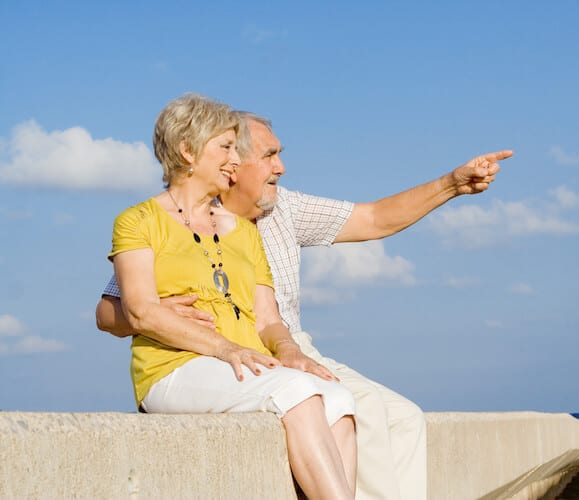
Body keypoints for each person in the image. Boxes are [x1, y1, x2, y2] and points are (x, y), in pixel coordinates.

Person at [98, 111, 513, 499]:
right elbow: (112, 312)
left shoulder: (283, 209)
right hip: (217, 357)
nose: (281, 167)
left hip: (286, 345)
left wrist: (452, 185)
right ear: (232, 165)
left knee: (402, 417)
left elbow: (373, 219)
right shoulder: (170, 217)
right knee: (349, 404)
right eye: (269, 155)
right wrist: (155, 311)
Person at [108, 94, 357, 500]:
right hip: (173, 369)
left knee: (339, 399)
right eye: (224, 147)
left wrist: (290, 351)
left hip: (245, 367)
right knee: (295, 392)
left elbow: (267, 318)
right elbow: (139, 312)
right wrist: (225, 348)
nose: (235, 160)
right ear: (187, 150)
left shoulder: (244, 231)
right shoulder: (139, 221)